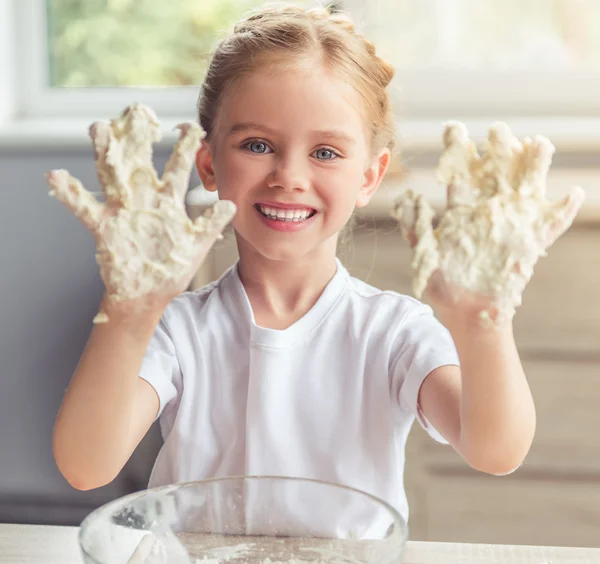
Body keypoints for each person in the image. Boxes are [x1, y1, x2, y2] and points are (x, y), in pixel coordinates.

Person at [51, 3, 543, 526]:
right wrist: (128, 311)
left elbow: (496, 451)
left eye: (326, 153)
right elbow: (86, 466)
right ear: (209, 163)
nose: (289, 176)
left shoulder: (394, 332)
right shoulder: (176, 329)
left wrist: (483, 323)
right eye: (257, 145)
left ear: (370, 176)